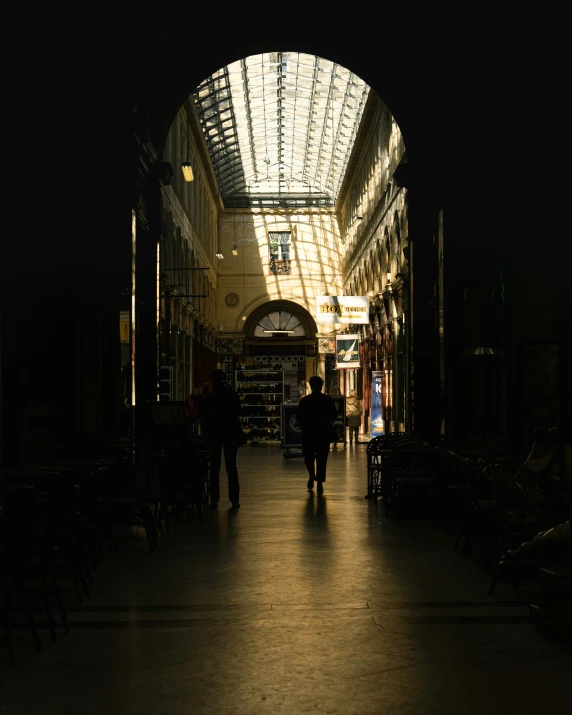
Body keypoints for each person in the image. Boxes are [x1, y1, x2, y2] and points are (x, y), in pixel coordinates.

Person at [202, 369, 242, 509]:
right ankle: (234, 499)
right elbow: (238, 411)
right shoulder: (232, 394)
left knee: (214, 467)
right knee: (231, 466)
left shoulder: (212, 397)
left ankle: (214, 499)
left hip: (216, 433)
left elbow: (206, 413)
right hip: (231, 432)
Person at [295, 375, 337, 494]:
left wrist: (304, 427)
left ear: (311, 386)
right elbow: (333, 415)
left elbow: (298, 417)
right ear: (321, 386)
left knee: (308, 457)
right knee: (322, 458)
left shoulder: (305, 400)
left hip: (309, 433)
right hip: (323, 434)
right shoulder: (327, 399)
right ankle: (319, 483)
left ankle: (311, 475)